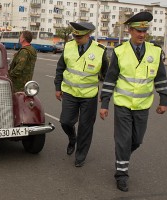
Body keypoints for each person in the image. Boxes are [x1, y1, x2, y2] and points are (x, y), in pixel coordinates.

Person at [99, 12, 167, 192]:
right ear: (130, 30)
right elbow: (110, 79)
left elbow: (160, 78)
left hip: (143, 106)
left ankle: (121, 157)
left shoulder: (155, 51)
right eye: (138, 30)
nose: (142, 34)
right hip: (123, 105)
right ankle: (121, 174)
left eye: (144, 30)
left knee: (136, 140)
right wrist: (105, 103)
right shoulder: (119, 51)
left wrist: (164, 99)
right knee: (123, 140)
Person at [54, 22, 109, 167]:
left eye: (80, 37)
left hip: (89, 95)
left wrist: (104, 96)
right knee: (65, 122)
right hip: (70, 93)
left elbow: (107, 75)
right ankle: (72, 138)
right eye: (74, 36)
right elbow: (60, 68)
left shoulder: (100, 50)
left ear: (88, 35)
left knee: (85, 127)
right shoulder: (68, 46)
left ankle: (80, 155)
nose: (76, 39)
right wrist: (57, 87)